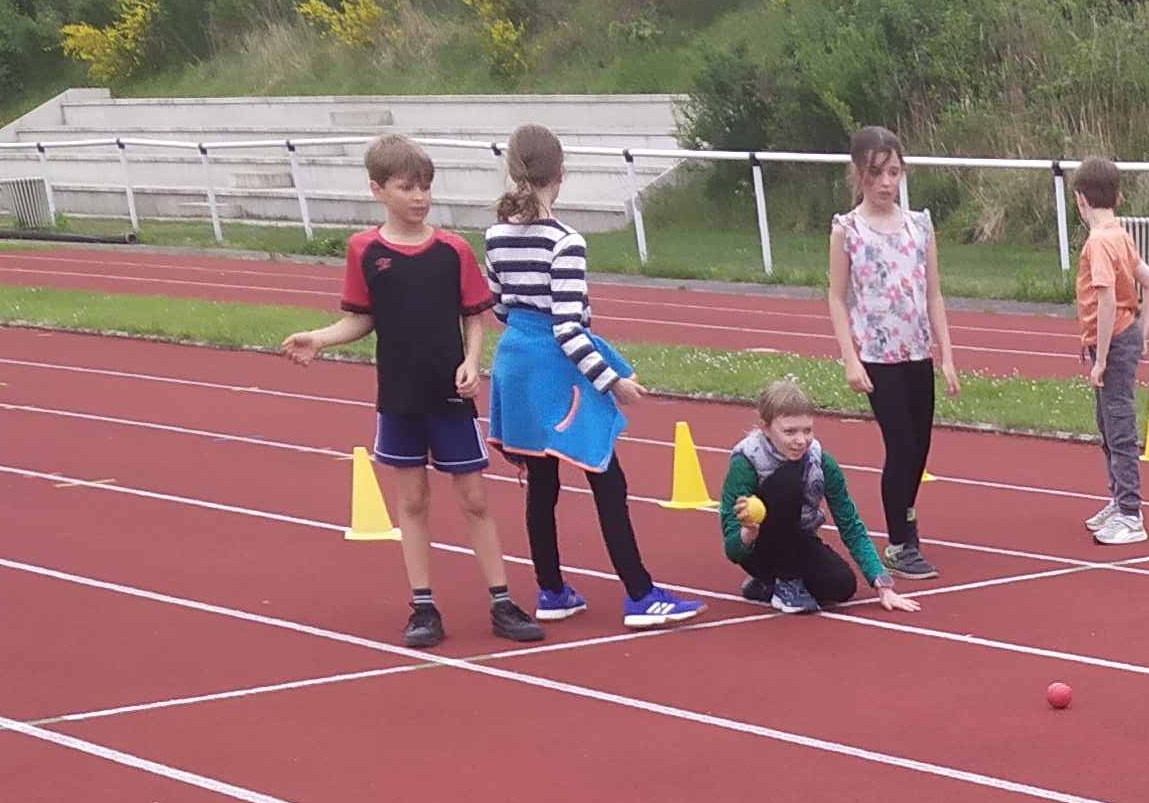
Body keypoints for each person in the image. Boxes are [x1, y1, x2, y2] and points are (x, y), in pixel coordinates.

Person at [283, 135, 543, 651]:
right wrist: (320, 338)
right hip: (400, 397)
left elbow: (474, 315)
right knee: (413, 499)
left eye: (425, 186)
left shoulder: (453, 250)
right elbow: (362, 317)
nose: (420, 197)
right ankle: (423, 605)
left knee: (474, 498)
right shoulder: (365, 251)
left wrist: (472, 362)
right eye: (407, 187)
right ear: (378, 189)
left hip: (449, 396)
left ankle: (501, 600)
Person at [484, 122, 698, 631]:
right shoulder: (566, 242)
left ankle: (552, 590)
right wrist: (611, 381)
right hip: (558, 369)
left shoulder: (494, 236)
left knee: (541, 482)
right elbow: (568, 329)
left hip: (515, 363)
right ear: (561, 172)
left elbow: (499, 305)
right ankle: (640, 594)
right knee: (607, 476)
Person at [826, 124, 956, 582]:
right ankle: (901, 542)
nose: (885, 182)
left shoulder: (920, 226)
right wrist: (850, 357)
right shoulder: (848, 230)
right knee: (900, 446)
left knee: (919, 448)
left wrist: (947, 354)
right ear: (858, 174)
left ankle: (906, 521)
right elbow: (837, 297)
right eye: (876, 173)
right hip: (878, 356)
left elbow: (934, 294)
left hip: (917, 350)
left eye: (893, 172)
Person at [718, 377, 919, 618]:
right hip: (758, 549)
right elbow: (732, 549)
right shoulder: (745, 463)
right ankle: (786, 584)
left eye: (807, 430)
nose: (801, 440)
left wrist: (882, 584)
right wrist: (748, 533)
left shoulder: (820, 461)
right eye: (789, 432)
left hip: (797, 540)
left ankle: (765, 585)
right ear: (765, 427)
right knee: (788, 481)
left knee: (842, 585)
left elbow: (850, 523)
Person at [1070, 156, 1149, 547]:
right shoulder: (1120, 235)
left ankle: (1130, 513)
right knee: (1107, 424)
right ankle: (1119, 499)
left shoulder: (1099, 242)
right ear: (1118, 196)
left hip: (1112, 344)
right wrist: (1141, 333)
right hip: (1118, 339)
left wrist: (1103, 359)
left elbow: (1107, 301)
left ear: (1080, 199)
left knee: (1119, 427)